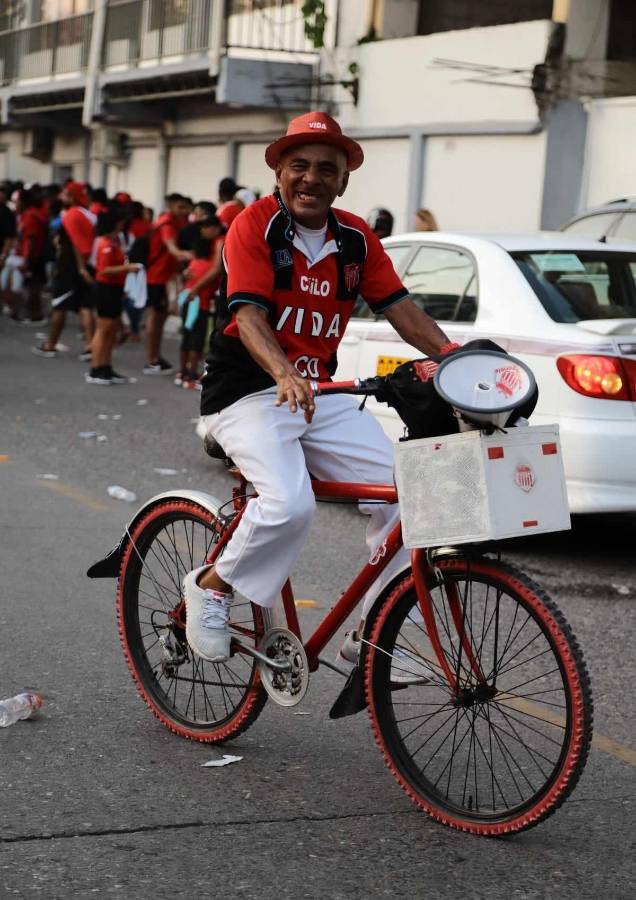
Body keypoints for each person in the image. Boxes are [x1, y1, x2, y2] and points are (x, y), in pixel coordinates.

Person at [182, 111, 460, 664]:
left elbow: (402, 311)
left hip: (320, 395)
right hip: (246, 396)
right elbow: (249, 315)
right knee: (290, 506)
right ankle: (212, 585)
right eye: (299, 166)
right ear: (279, 171)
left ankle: (376, 631)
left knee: (414, 500)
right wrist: (284, 373)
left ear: (344, 180)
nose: (312, 178)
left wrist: (459, 361)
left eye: (327, 169)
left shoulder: (356, 238)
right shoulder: (254, 226)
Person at [32, 182, 96, 359]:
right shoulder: (88, 214)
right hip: (85, 266)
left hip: (70, 267)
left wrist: (81, 267)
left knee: (59, 305)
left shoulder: (72, 215)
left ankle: (50, 344)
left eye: (66, 194)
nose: (61, 197)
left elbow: (78, 244)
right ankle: (91, 345)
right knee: (85, 306)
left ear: (73, 197)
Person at [87, 208, 141, 384]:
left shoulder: (114, 242)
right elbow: (104, 270)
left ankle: (105, 366)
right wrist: (127, 268)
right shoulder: (105, 244)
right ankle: (96, 368)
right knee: (104, 328)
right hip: (106, 288)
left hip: (115, 288)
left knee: (111, 330)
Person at [143, 193, 193, 375]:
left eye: (187, 207)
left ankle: (156, 356)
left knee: (161, 317)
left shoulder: (177, 223)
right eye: (180, 207)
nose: (185, 211)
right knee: (154, 318)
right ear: (171, 207)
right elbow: (173, 250)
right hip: (155, 277)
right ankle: (151, 359)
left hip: (164, 277)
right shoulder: (167, 224)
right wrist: (196, 258)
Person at [176, 215, 225, 388]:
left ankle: (188, 372)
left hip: (200, 297)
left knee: (195, 336)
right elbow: (192, 267)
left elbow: (216, 269)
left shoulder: (219, 242)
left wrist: (195, 287)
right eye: (202, 227)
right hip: (193, 297)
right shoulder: (201, 248)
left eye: (207, 227)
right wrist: (188, 279)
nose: (204, 230)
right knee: (190, 335)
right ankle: (185, 372)